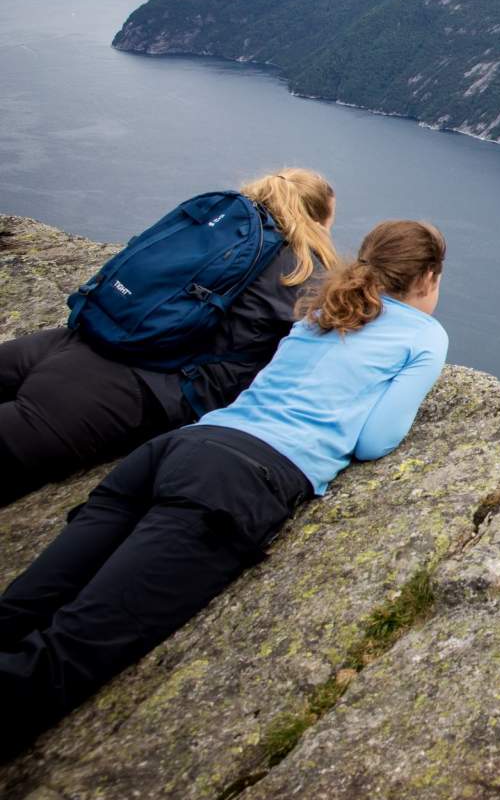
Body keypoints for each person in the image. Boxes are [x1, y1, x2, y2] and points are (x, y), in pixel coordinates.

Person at [0, 219, 445, 747]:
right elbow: (375, 441)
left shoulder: (325, 310)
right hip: (236, 484)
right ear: (429, 278)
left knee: (23, 605)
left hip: (173, 451)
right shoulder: (424, 336)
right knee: (75, 648)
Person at [0, 170, 340, 504]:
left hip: (76, 339)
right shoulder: (302, 271)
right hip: (128, 388)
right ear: (318, 219)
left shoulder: (219, 225)